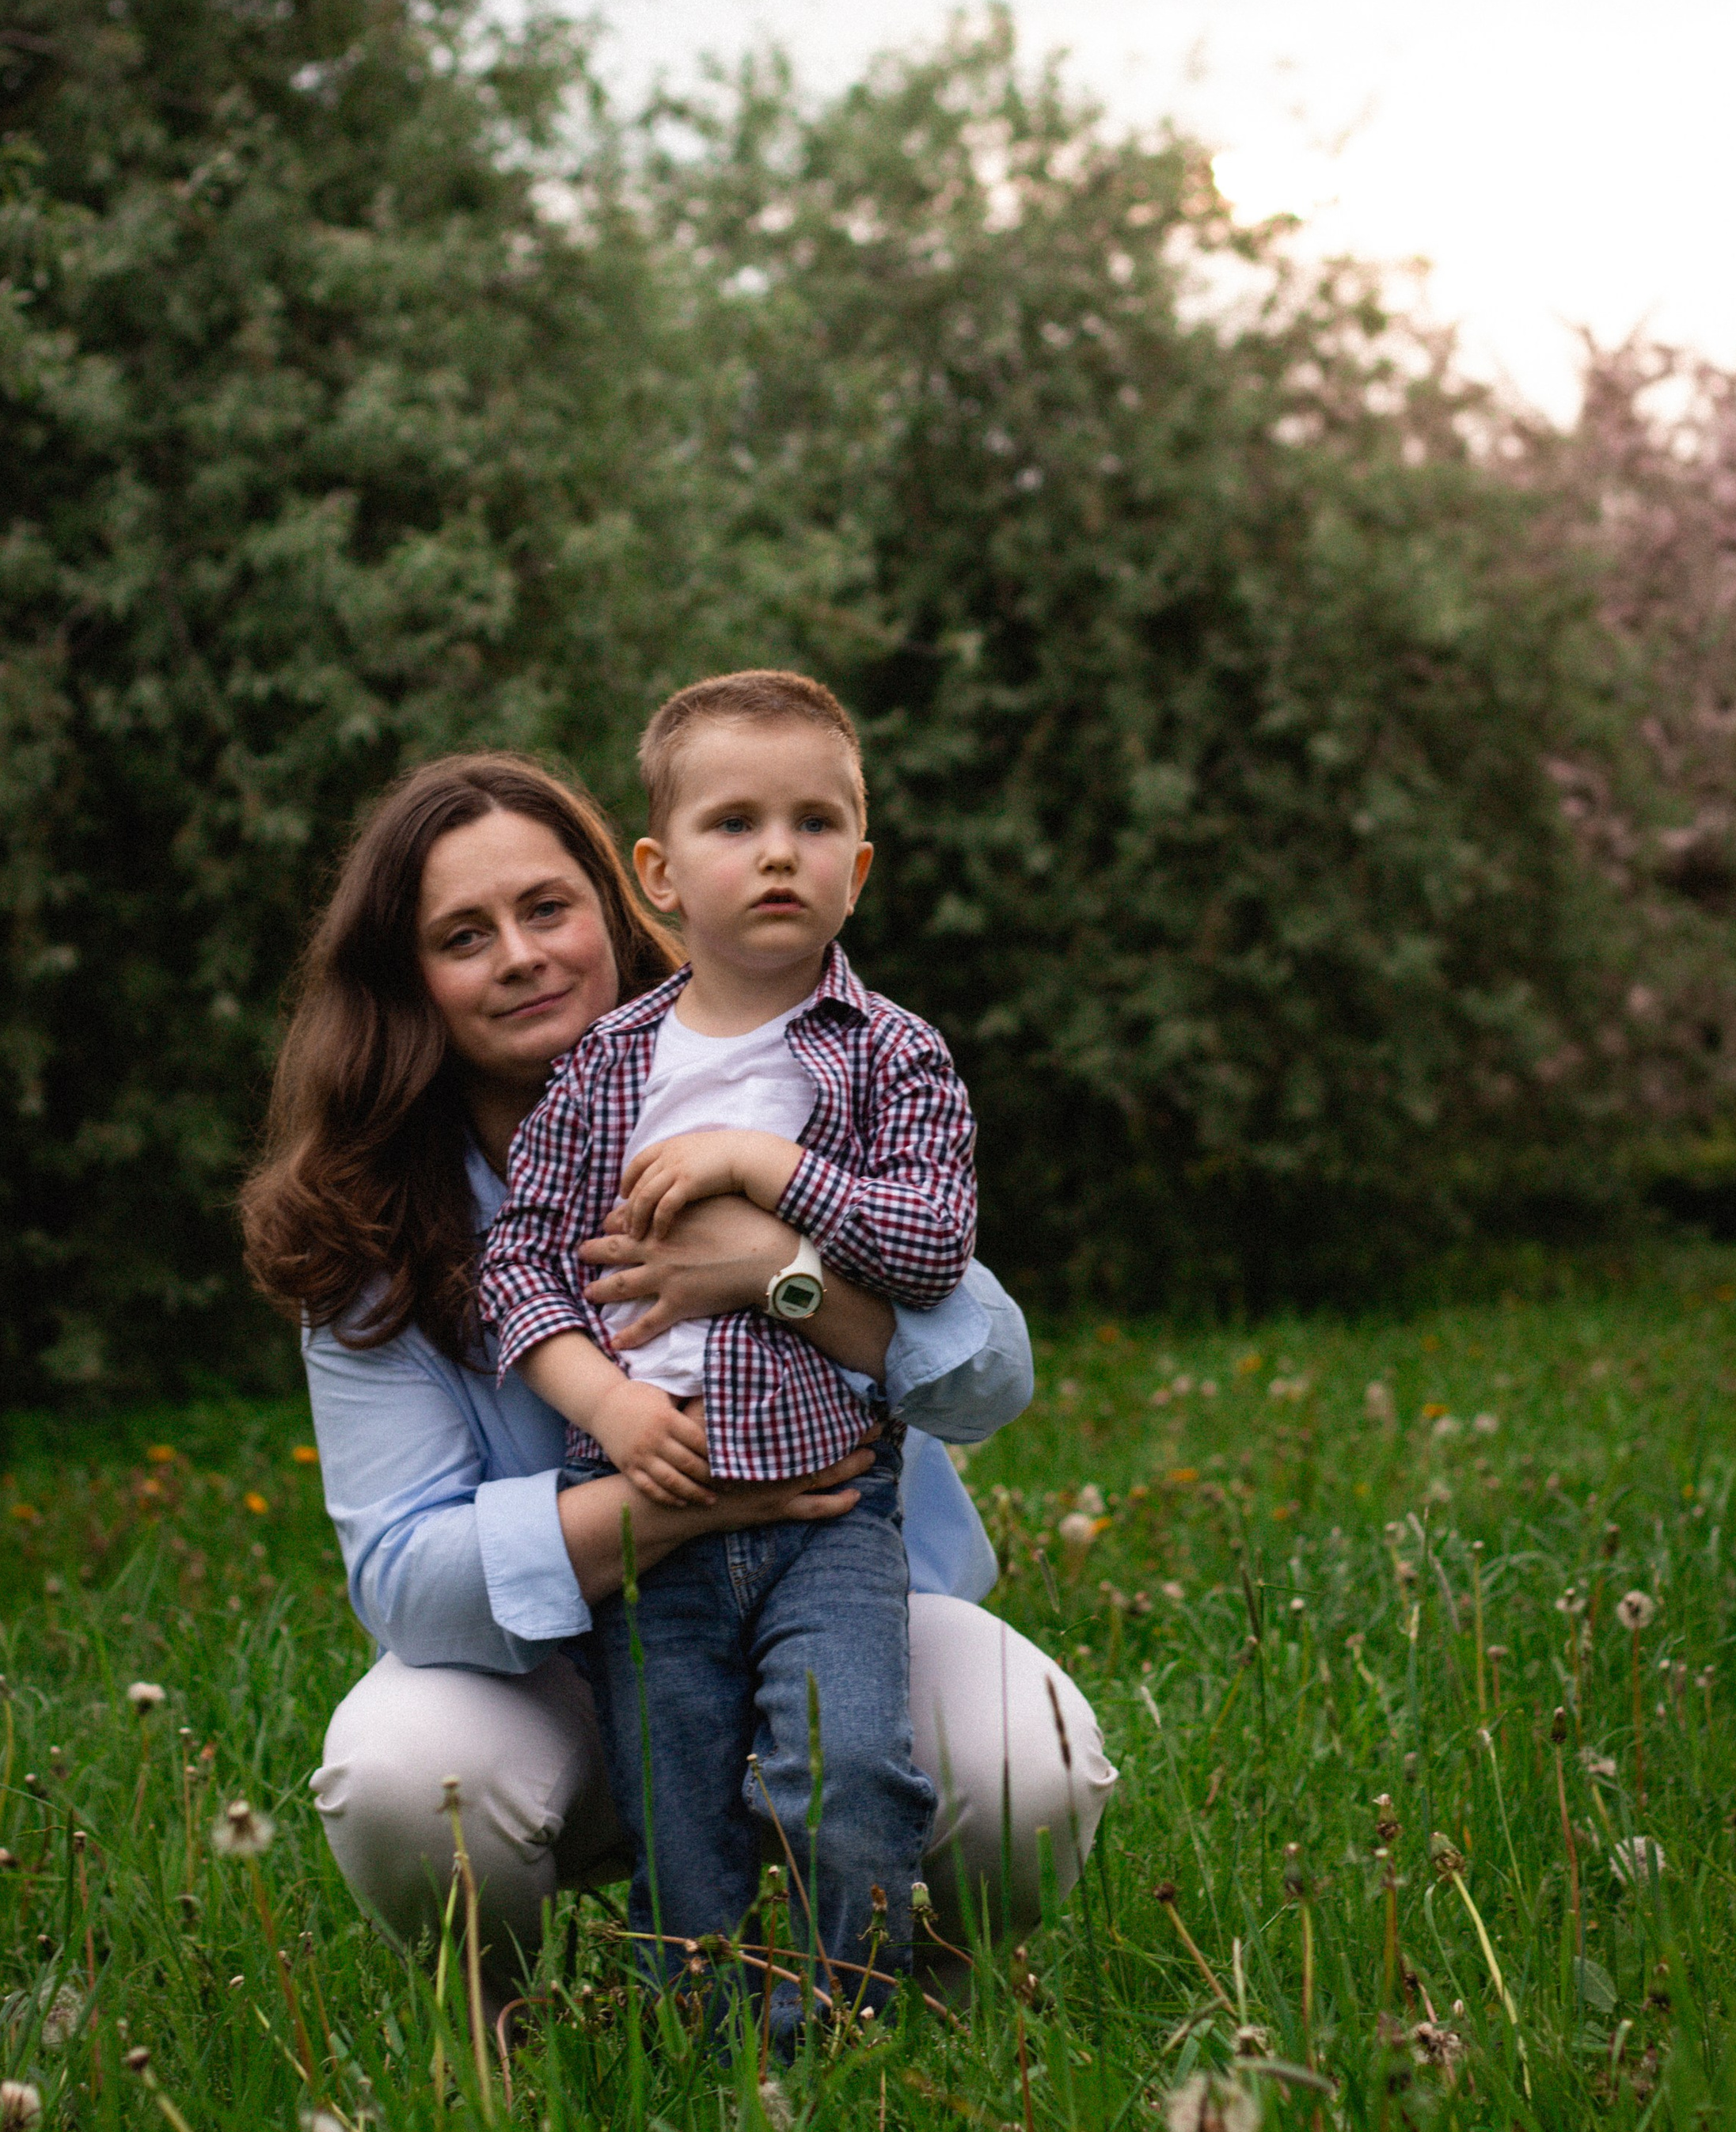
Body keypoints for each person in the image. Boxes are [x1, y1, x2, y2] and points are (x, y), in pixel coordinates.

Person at [240, 748, 1114, 2001]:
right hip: (565, 1679)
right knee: (404, 1776)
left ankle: (922, 2002)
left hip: (843, 1603)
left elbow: (989, 1379)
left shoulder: (788, 1078)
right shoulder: (367, 1230)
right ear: (408, 985)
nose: (523, 955)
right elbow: (407, 1584)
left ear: (624, 904)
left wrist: (779, 1266)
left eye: (548, 908)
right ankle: (504, 2023)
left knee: (1032, 1764)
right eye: (463, 935)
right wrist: (693, 1496)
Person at [481, 673, 977, 2018]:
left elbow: (930, 1248)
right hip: (655, 1522)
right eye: (735, 822)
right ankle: (695, 2059)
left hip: (833, 1521)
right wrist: (606, 1405)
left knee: (852, 1771)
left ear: (858, 869)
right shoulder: (605, 1068)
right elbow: (520, 1260)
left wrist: (770, 1166)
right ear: (656, 875)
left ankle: (849, 2025)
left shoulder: (894, 1059)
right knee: (675, 1810)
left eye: (817, 824)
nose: (777, 852)